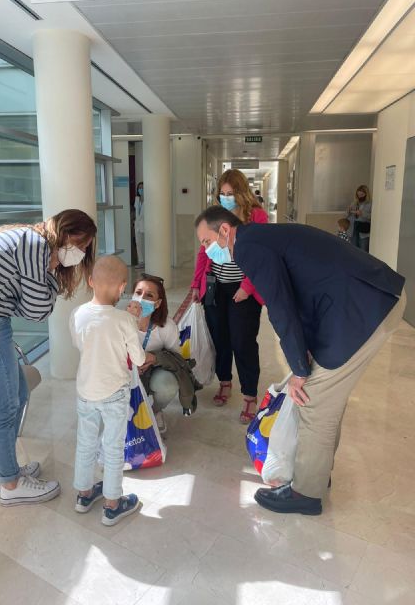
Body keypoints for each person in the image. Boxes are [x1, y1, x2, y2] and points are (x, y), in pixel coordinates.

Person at [195, 206, 405, 515]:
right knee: (325, 397)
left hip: (363, 306)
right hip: (363, 300)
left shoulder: (249, 246)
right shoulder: (259, 238)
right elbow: (296, 296)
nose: (206, 249)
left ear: (225, 230)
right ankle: (317, 474)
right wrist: (304, 353)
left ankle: (306, 493)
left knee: (314, 400)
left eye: (205, 241)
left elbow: (281, 307)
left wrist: (298, 369)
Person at [0, 209, 97, 506]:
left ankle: (6, 472)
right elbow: (38, 311)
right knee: (3, 410)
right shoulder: (35, 245)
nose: (81, 252)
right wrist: (51, 268)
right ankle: (11, 484)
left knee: (19, 393)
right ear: (66, 232)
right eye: (81, 244)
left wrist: (46, 273)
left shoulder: (27, 240)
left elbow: (30, 308)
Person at [70, 256, 145, 525]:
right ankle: (113, 504)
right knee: (113, 447)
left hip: (85, 391)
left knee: (86, 442)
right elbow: (138, 359)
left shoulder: (77, 314)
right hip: (114, 393)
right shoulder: (124, 320)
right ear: (122, 287)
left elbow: (81, 344)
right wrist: (134, 324)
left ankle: (84, 493)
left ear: (90, 281)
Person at [191, 169, 268, 424]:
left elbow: (260, 256)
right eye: (222, 194)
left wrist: (247, 287)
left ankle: (249, 396)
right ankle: (225, 381)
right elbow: (205, 250)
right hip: (216, 286)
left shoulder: (255, 216)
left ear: (241, 193)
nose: (226, 198)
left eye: (230, 194)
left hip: (243, 290)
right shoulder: (214, 217)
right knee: (220, 338)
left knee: (242, 341)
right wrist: (196, 283)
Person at [127, 273, 194, 434]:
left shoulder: (167, 327)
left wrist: (154, 358)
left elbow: (177, 360)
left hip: (154, 370)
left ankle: (155, 410)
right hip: (126, 373)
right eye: (138, 292)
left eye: (149, 295)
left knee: (167, 384)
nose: (141, 298)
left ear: (157, 304)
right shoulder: (120, 320)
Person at [347, 184, 372, 252]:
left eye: (362, 195)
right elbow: (347, 216)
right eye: (358, 195)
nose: (360, 196)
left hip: (363, 230)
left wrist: (362, 213)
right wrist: (348, 211)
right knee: (353, 250)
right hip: (353, 229)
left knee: (363, 251)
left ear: (366, 194)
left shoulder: (370, 204)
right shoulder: (354, 203)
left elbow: (373, 217)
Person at [134, 181, 145, 267]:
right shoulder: (137, 199)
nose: (141, 189)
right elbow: (136, 212)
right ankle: (141, 262)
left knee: (145, 244)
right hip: (137, 225)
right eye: (139, 188)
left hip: (145, 225)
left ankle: (147, 261)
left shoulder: (148, 200)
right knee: (138, 243)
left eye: (142, 188)